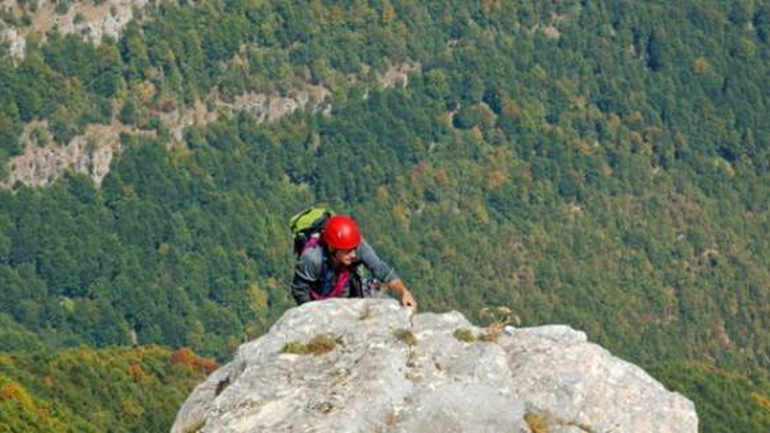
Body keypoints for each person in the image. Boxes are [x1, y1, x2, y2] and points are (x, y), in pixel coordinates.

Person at [291, 214, 417, 312]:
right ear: (331, 248)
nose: (354, 254)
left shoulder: (357, 245)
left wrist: (404, 292)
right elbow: (300, 292)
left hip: (345, 290)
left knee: (375, 291)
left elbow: (380, 269)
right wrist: (313, 315)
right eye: (348, 251)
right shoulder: (312, 258)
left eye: (354, 249)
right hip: (318, 298)